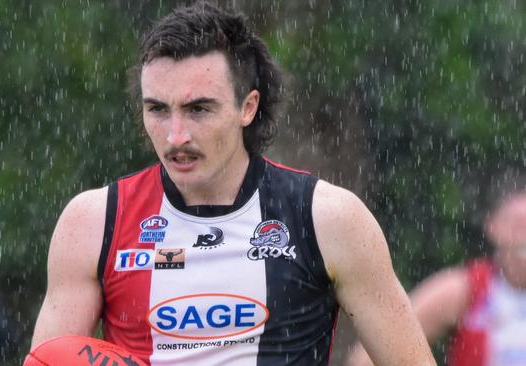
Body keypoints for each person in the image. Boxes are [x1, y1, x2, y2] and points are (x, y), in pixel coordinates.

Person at [29, 2, 434, 365]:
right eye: (157, 109)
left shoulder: (329, 218)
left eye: (198, 109)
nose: (175, 136)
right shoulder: (93, 222)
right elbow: (51, 359)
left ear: (248, 107)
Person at [347, 191, 526, 366]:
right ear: (493, 227)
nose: (523, 237)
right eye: (518, 225)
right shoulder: (465, 288)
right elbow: (366, 357)